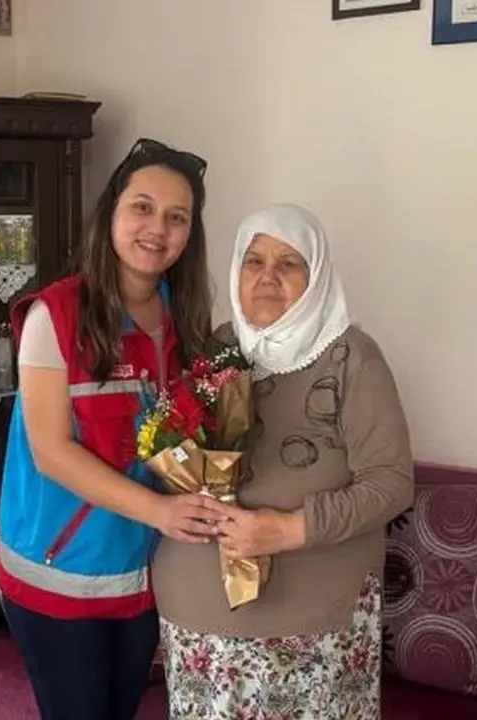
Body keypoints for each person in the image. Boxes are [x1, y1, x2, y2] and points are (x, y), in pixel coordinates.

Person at [153, 203, 415, 719]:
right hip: (197, 620)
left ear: (316, 277)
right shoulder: (220, 347)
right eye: (254, 261)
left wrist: (288, 530)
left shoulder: (353, 358)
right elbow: (180, 446)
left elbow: (391, 484)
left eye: (289, 263)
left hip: (312, 626)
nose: (267, 276)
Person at [0, 137, 220, 720]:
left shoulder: (185, 317)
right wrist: (162, 512)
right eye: (142, 207)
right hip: (60, 576)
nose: (158, 228)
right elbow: (51, 452)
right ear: (111, 213)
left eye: (177, 217)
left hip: (141, 577)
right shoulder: (55, 314)